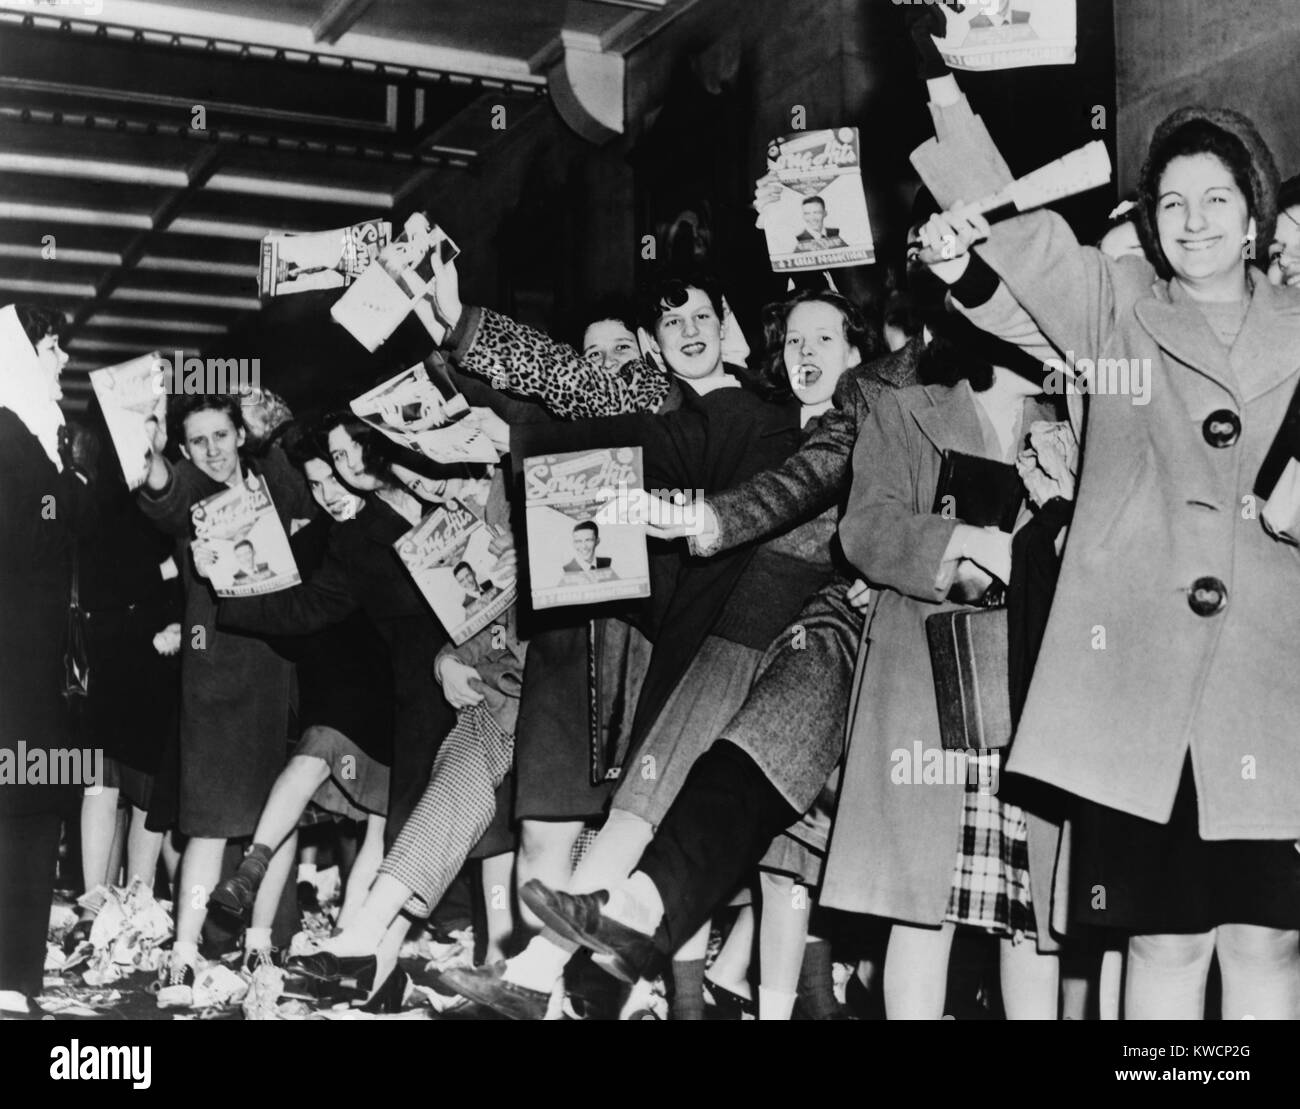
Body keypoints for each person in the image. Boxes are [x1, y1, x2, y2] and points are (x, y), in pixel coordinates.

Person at [915, 77, 1300, 1019]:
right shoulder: (1120, 308)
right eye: (1172, 203)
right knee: (1164, 944)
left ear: (1255, 215)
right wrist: (945, 94)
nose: (1194, 221)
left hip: (1275, 679)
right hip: (1144, 692)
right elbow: (1031, 242)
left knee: (1269, 941)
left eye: (1217, 200)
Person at [442, 289, 882, 1020]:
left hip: (808, 650)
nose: (805, 356)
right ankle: (532, 973)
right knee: (636, 813)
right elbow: (611, 413)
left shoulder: (874, 428)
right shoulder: (752, 416)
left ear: (859, 353)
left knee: (772, 859)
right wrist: (470, 348)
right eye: (795, 342)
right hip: (728, 637)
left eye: (824, 341)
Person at [136, 392, 314, 1006]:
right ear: (186, 449)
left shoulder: (274, 478)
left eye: (221, 435)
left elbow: (313, 507)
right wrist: (152, 449)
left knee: (276, 818)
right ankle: (183, 956)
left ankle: (260, 944)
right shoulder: (185, 483)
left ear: (240, 434)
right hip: (211, 673)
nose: (213, 450)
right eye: (199, 441)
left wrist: (279, 434)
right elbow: (159, 496)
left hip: (275, 669)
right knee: (207, 823)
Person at [203, 425, 395, 961]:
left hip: (409, 687)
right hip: (347, 688)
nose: (329, 494)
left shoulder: (395, 519)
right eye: (316, 485)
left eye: (335, 479)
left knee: (384, 820)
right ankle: (252, 873)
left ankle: (348, 946)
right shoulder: (324, 538)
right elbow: (294, 606)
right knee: (314, 751)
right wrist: (226, 582)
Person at [0, 304, 93, 1018]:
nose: (64, 360)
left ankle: (13, 975)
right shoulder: (8, 437)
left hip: (28, 666)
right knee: (21, 814)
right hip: (13, 668)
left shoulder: (33, 437)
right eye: (55, 346)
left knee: (28, 810)